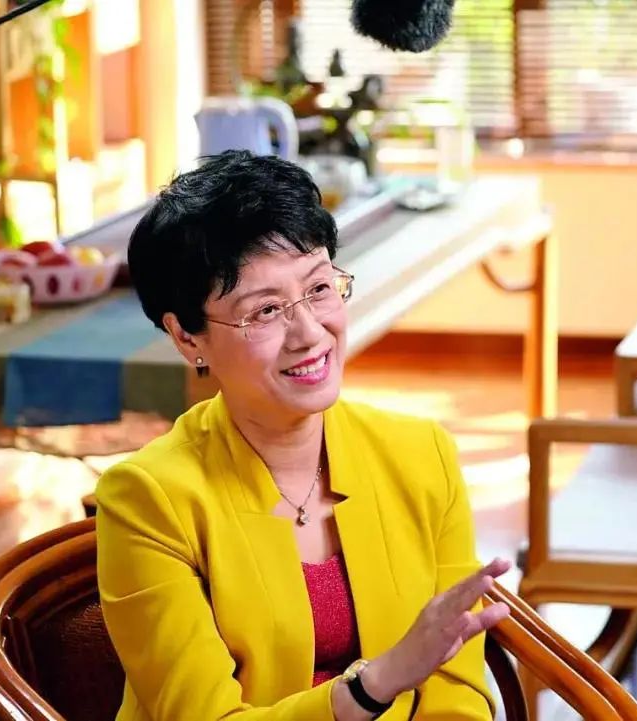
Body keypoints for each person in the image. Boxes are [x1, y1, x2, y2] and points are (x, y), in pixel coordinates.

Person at [95, 150, 510, 721]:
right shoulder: (147, 501)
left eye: (318, 288)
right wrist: (372, 687)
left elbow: (455, 691)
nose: (310, 333)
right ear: (188, 338)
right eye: (265, 311)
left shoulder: (422, 455)